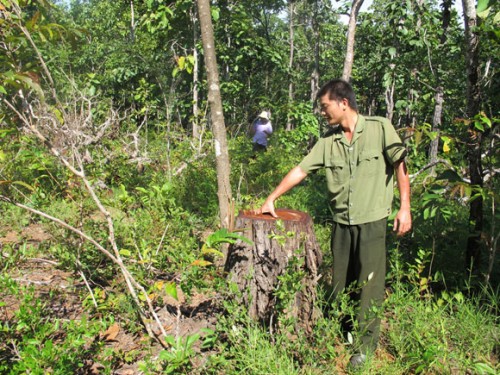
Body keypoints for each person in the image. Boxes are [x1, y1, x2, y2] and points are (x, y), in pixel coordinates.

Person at [255, 79, 411, 366]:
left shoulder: (379, 128)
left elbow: (400, 165)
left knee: (369, 285)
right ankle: (342, 333)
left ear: (343, 103)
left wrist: (405, 207)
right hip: (341, 223)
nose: (322, 112)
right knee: (341, 284)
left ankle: (364, 347)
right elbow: (300, 170)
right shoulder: (328, 141)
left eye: (325, 106)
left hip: (372, 220)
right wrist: (272, 197)